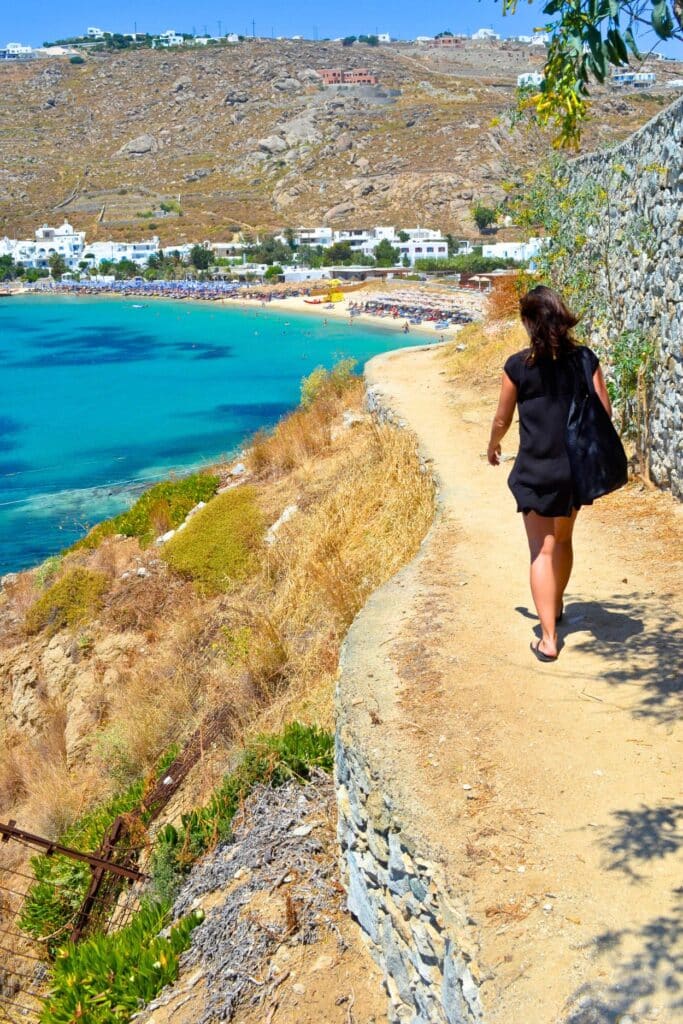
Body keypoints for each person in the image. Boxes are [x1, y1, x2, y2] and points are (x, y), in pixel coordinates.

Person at [487, 285, 612, 663]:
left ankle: (549, 638)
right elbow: (604, 412)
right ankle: (554, 607)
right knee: (563, 540)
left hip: (537, 469)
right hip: (574, 469)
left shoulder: (517, 366)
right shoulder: (586, 360)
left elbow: (502, 419)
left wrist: (492, 444)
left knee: (540, 550)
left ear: (528, 322)